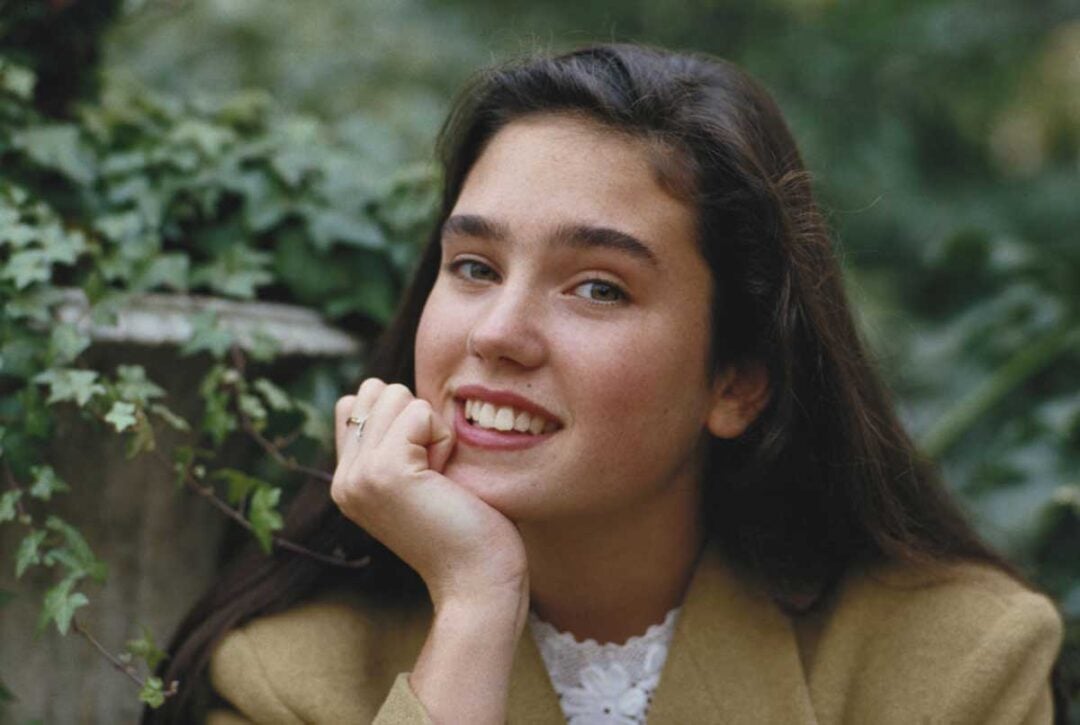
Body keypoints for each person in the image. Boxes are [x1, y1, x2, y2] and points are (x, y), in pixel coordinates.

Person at [145, 44, 1064, 724]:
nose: (499, 332)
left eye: (597, 286)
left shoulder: (954, 667)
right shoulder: (292, 678)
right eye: (471, 266)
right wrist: (472, 604)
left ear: (737, 380)